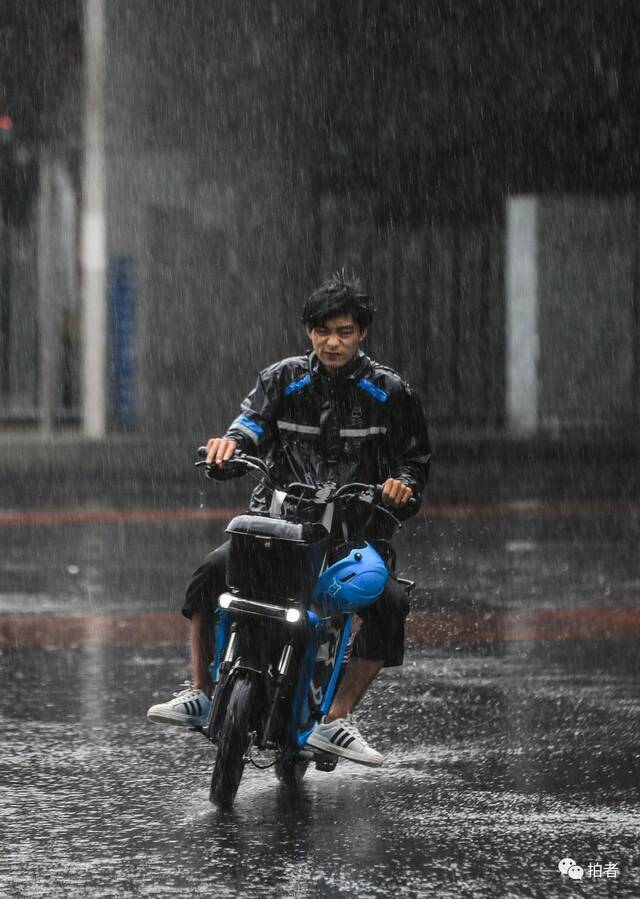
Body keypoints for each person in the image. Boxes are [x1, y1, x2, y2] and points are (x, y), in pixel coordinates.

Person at [147, 272, 431, 766]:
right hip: (278, 530)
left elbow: (415, 460)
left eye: (344, 331)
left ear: (361, 333)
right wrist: (228, 446)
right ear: (309, 332)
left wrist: (401, 486)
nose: (333, 342)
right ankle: (199, 692)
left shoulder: (391, 392)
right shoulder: (281, 379)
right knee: (211, 573)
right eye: (323, 331)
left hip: (352, 539)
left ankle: (337, 719)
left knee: (389, 600)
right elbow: (248, 426)